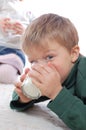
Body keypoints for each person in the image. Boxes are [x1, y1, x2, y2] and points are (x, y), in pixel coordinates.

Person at [10, 13, 86, 130]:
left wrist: (57, 93)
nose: (41, 66)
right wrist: (24, 96)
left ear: (73, 53)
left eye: (49, 57)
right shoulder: (59, 73)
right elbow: (17, 96)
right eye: (33, 61)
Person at [0, 0, 34, 84]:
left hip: (14, 51)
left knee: (7, 74)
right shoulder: (3, 2)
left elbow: (36, 35)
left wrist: (25, 31)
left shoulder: (30, 12)